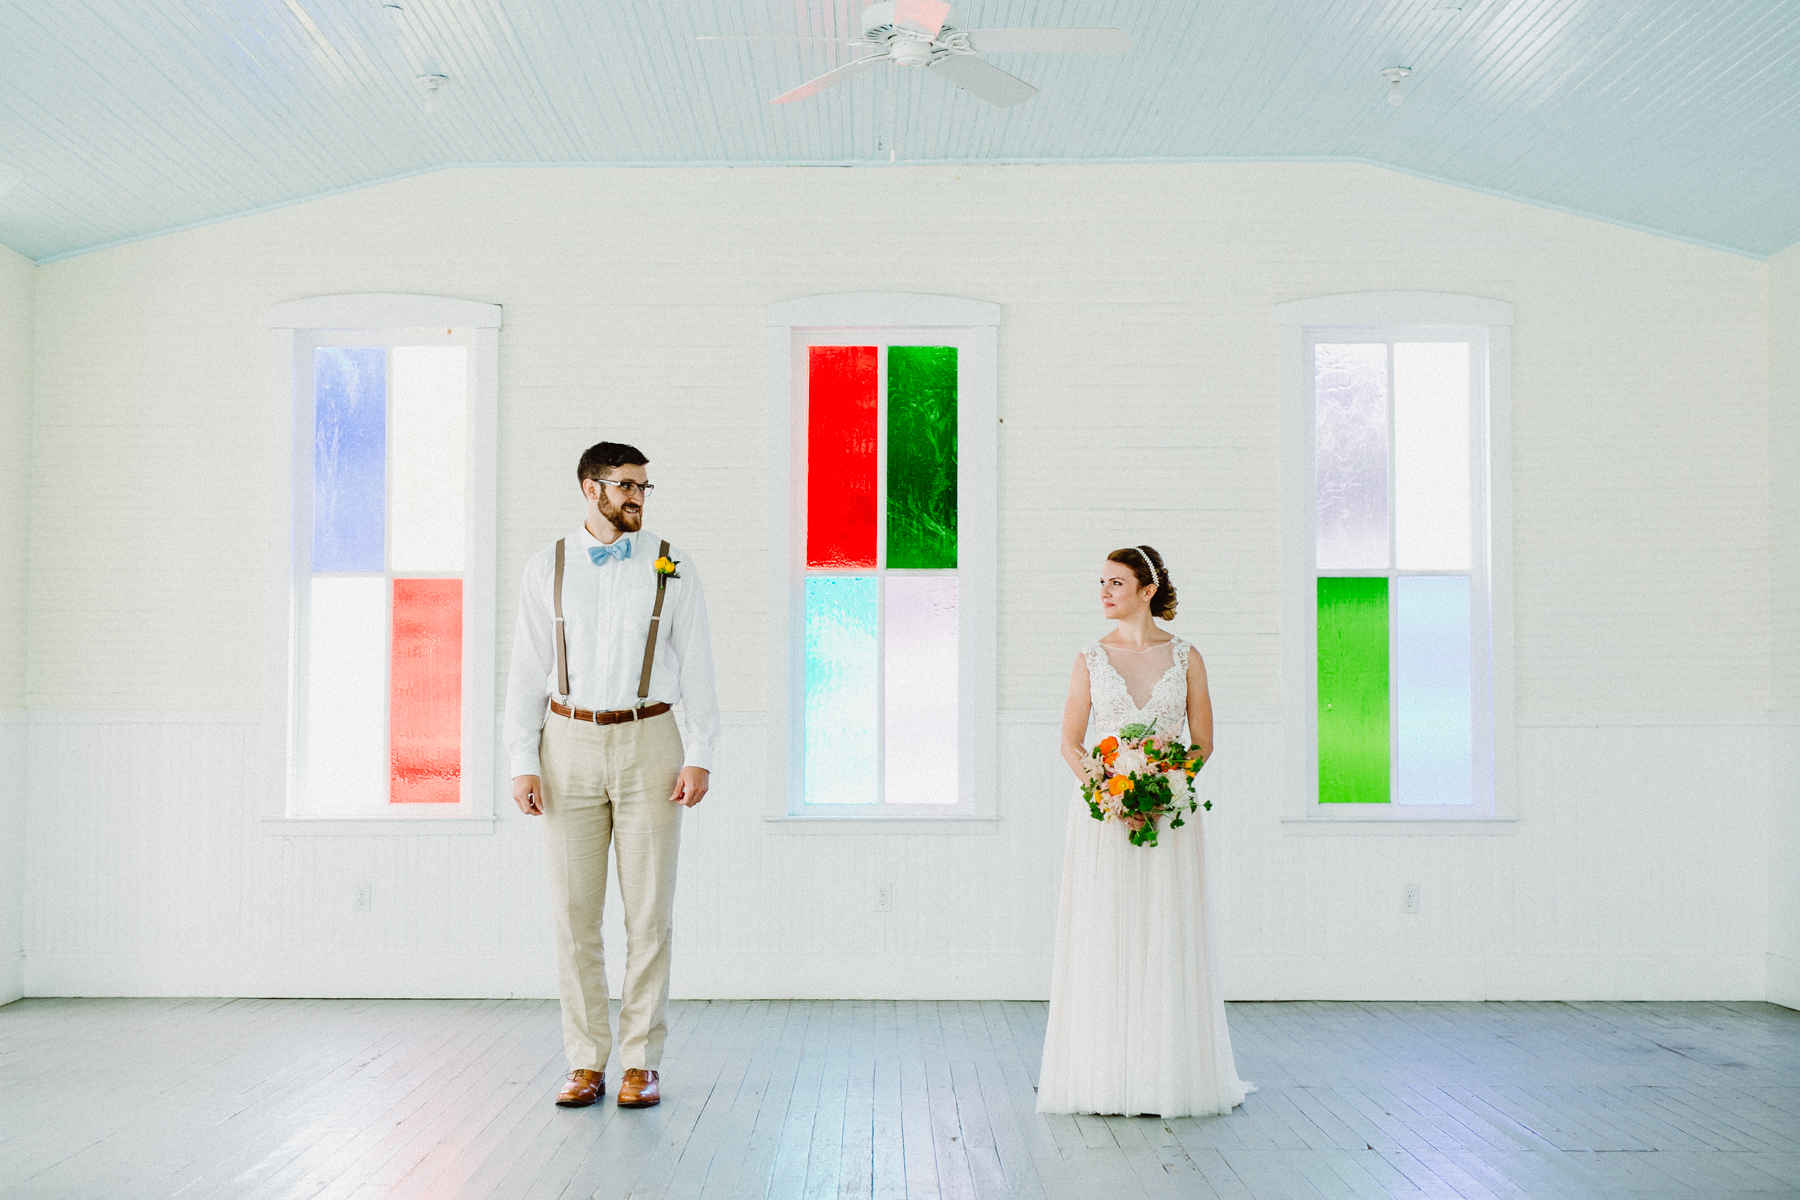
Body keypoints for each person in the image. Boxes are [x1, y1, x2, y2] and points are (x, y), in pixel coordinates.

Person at [504, 441, 719, 1110]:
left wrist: (700, 750)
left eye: (645, 486)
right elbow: (524, 670)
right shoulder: (550, 567)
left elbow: (700, 664)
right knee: (574, 914)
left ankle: (641, 1061)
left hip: (652, 740)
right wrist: (522, 759)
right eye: (627, 484)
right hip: (566, 742)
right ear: (590, 488)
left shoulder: (670, 563)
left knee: (649, 912)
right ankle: (584, 1060)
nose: (638, 496)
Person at [1036, 545, 1253, 1118]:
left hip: (1169, 815)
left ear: (1146, 589)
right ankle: (1101, 1075)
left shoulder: (1186, 657)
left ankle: (1169, 1077)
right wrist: (1108, 791)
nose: (1104, 593)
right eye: (1101, 583)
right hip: (1103, 818)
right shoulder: (1089, 657)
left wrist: (1160, 782)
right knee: (1105, 934)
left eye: (1115, 583)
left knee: (1165, 932)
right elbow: (1069, 743)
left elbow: (1202, 742)